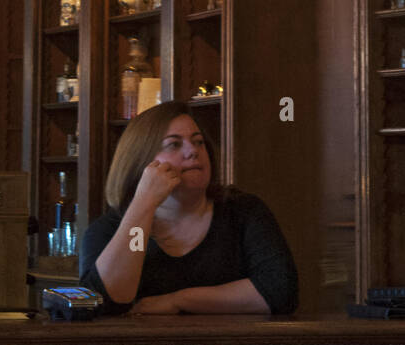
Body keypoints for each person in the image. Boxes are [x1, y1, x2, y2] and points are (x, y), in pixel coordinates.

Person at [79, 101, 298, 315]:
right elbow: (103, 302)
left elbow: (280, 292)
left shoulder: (243, 211)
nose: (193, 151)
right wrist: (144, 201)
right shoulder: (107, 230)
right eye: (174, 144)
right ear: (141, 161)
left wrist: (178, 300)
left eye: (199, 142)